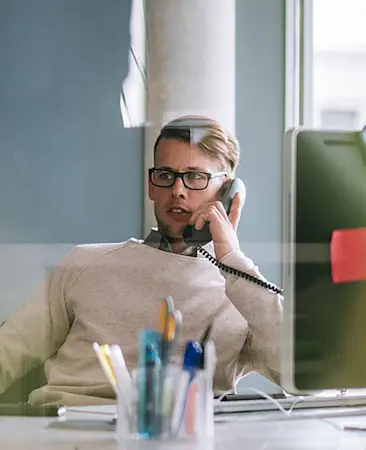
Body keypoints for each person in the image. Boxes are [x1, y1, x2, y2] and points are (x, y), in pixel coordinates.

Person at [0, 115, 283, 406]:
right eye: (165, 175)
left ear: (227, 193)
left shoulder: (244, 295)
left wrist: (231, 258)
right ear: (151, 185)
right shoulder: (83, 263)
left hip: (174, 440)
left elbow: (300, 372)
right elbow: (8, 353)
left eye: (195, 176)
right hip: (62, 432)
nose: (177, 190)